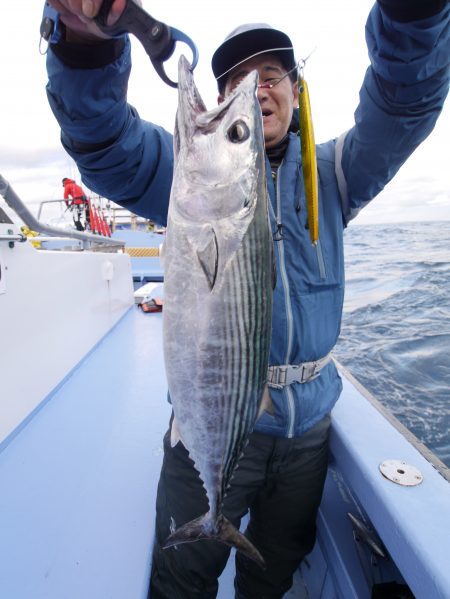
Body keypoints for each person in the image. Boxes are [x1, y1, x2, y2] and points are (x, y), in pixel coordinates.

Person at [44, 1, 449, 597]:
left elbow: (404, 106)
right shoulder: (185, 174)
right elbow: (104, 143)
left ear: (296, 90)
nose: (255, 91)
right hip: (209, 421)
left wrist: (415, 16)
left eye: (270, 77)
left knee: (275, 569)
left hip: (307, 432)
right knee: (182, 578)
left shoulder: (335, 174)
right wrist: (83, 44)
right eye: (235, 82)